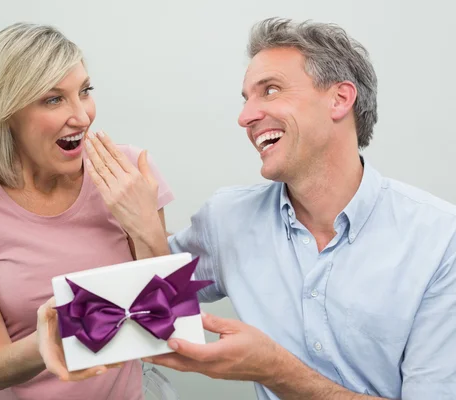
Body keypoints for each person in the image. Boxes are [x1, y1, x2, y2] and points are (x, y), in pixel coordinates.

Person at [84, 17, 456, 400]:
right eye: (246, 99)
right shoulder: (227, 219)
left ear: (340, 99)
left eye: (271, 90)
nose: (245, 117)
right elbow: (144, 316)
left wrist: (275, 370)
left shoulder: (441, 240)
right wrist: (144, 226)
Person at [0, 22, 173, 400]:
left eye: (85, 92)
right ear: (5, 112)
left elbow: (165, 325)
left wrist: (146, 226)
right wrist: (56, 337)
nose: (82, 116)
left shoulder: (126, 173)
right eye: (53, 99)